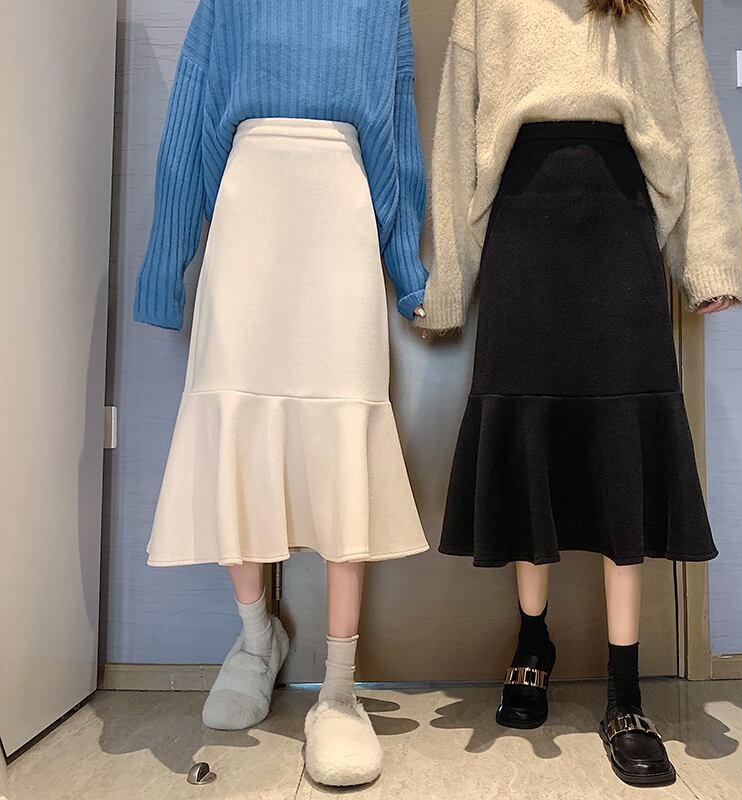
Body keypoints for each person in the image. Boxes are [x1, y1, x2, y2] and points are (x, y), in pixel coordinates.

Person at [417, 0, 742, 786]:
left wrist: (711, 258)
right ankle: (533, 641)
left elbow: (695, 122)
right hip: (521, 226)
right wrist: (448, 282)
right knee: (524, 431)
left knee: (621, 445)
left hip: (620, 225)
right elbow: (456, 138)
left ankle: (625, 691)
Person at [133, 0, 429, 787]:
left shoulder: (384, 5)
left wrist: (409, 271)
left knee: (342, 439)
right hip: (248, 215)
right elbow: (190, 124)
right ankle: (256, 635)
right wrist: (166, 267)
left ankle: (339, 689)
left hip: (340, 217)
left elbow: (395, 139)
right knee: (234, 419)